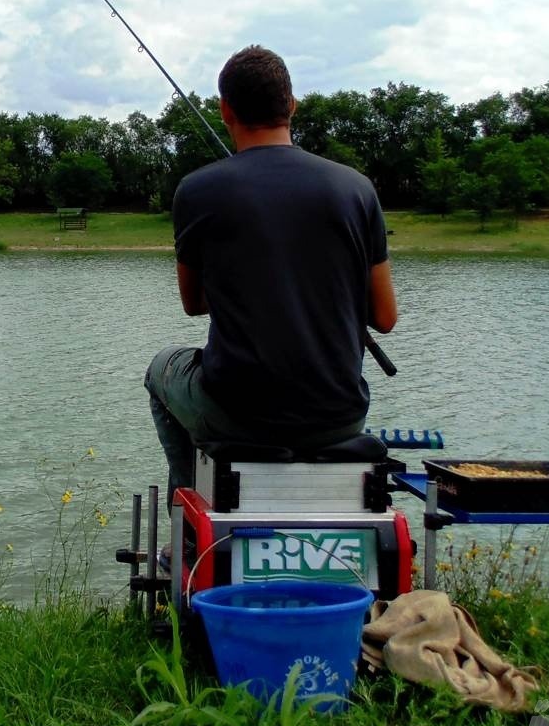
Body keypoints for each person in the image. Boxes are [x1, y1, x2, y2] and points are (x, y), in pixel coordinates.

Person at [144, 45, 398, 505]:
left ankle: (186, 522)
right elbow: (384, 316)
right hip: (340, 416)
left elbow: (193, 303)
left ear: (225, 110)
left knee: (160, 368)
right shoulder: (357, 189)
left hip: (238, 415)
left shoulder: (197, 190)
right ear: (292, 105)